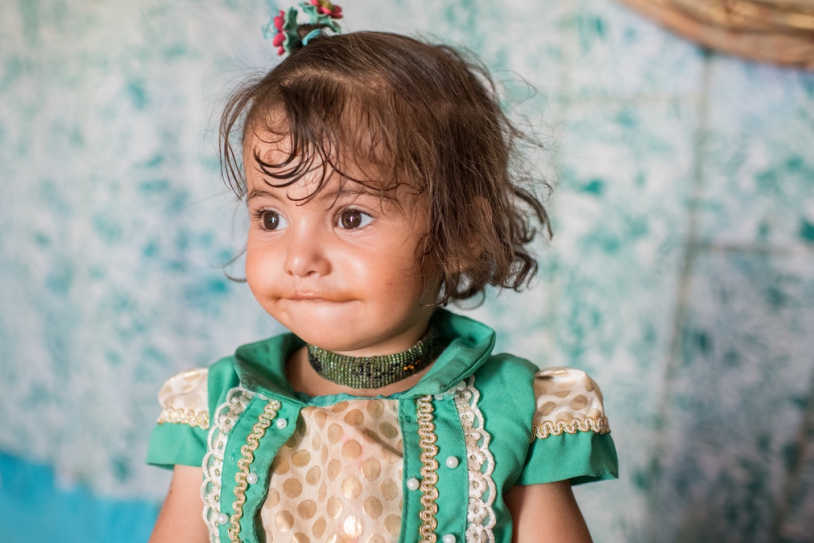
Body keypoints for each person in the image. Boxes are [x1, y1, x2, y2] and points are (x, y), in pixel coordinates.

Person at [146, 2, 618, 542]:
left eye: (351, 217)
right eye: (270, 216)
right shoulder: (216, 410)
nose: (299, 259)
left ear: (459, 233)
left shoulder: (513, 412)